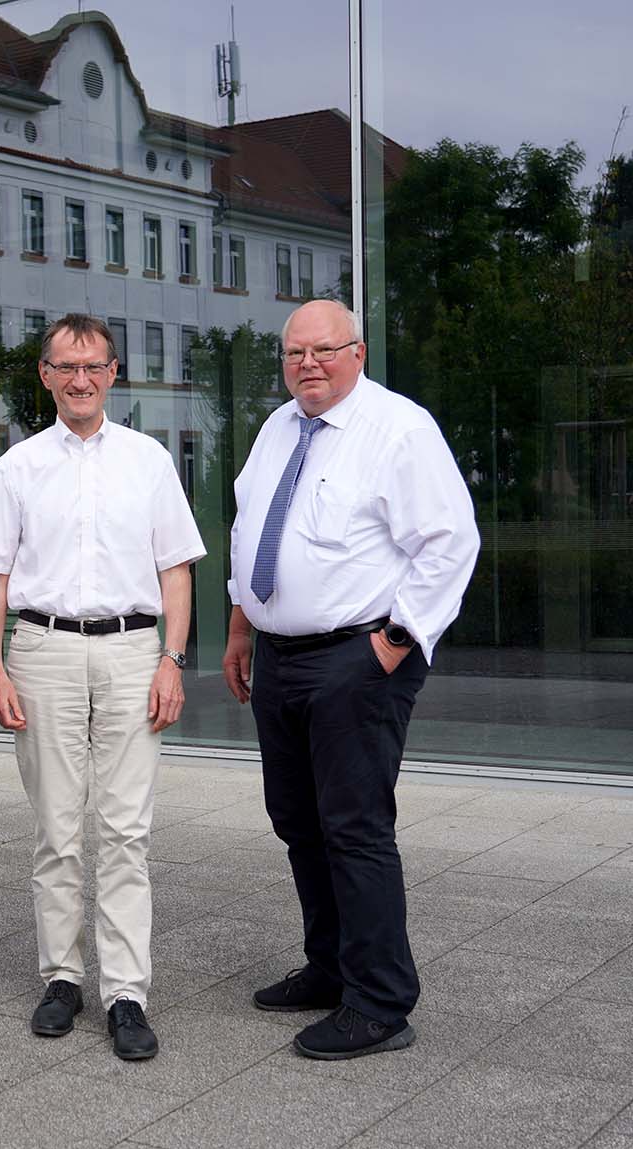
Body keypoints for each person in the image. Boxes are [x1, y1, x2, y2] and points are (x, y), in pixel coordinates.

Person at [222, 299, 478, 1060]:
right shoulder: (278, 428)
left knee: (354, 828)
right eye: (294, 352)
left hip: (356, 658)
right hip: (279, 655)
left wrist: (396, 641)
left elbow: (450, 541)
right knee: (298, 820)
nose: (308, 364)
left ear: (358, 353)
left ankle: (380, 1003)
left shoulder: (398, 428)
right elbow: (250, 531)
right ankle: (330, 967)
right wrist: (240, 627)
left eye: (324, 350)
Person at [0, 314, 203, 1061]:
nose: (81, 380)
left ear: (113, 373)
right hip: (42, 652)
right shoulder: (16, 469)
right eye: (66, 367)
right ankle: (63, 979)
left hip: (134, 652)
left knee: (126, 832)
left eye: (94, 366)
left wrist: (173, 659)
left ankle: (127, 994)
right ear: (46, 376)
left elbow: (176, 570)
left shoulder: (148, 461)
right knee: (58, 829)